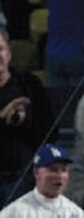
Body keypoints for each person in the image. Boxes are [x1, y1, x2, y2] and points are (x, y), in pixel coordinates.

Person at [0, 30, 55, 190]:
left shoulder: (29, 85)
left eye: (1, 49)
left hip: (25, 174)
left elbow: (50, 133)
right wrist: (2, 118)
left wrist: (26, 120)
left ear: (9, 53)